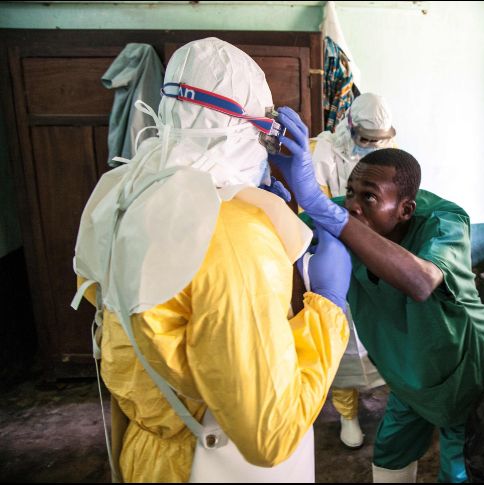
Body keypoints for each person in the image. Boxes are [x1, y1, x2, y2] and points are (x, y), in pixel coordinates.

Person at [72, 38, 351, 483]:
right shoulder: (234, 235)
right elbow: (269, 434)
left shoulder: (120, 192)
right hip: (212, 460)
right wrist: (329, 309)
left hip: (148, 448)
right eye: (264, 131)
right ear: (244, 129)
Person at [269, 111, 484, 483]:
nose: (351, 204)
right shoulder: (354, 213)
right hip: (407, 374)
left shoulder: (443, 223)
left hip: (467, 371)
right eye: (350, 192)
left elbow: (421, 281)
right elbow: (287, 234)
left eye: (367, 197)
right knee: (389, 455)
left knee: (461, 466)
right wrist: (268, 195)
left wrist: (320, 208)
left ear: (405, 210)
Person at [310, 92, 397, 448]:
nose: (373, 147)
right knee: (343, 337)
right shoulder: (326, 153)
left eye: (380, 141)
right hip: (340, 253)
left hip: (380, 252)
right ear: (350, 127)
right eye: (366, 140)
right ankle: (347, 414)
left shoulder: (395, 152)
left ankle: (393, 405)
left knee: (385, 335)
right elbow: (314, 202)